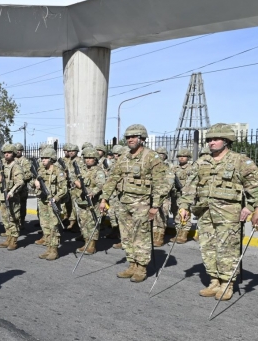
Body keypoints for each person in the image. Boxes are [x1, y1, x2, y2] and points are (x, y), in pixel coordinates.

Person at [179, 123, 258, 300]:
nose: (211, 143)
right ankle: (214, 280)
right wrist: (184, 206)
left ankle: (227, 284)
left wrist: (252, 208)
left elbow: (254, 188)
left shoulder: (240, 161)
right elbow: (190, 186)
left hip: (229, 213)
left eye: (215, 139)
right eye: (209, 140)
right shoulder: (202, 162)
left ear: (226, 141)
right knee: (208, 247)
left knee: (227, 249)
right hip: (205, 212)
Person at [99, 124, 170, 283]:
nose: (130, 140)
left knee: (141, 236)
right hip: (124, 202)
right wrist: (104, 199)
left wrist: (155, 206)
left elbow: (161, 183)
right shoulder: (123, 157)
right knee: (126, 235)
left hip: (143, 203)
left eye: (133, 137)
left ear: (142, 139)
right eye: (128, 137)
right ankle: (132, 263)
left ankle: (142, 267)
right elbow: (113, 179)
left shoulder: (152, 157)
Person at [33, 146, 67, 260]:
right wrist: (36, 183)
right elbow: (34, 183)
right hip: (43, 201)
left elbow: (64, 189)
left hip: (52, 202)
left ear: (52, 158)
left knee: (53, 226)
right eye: (42, 158)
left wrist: (56, 198)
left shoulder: (58, 171)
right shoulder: (40, 170)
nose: (43, 160)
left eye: (45, 158)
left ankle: (54, 250)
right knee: (45, 225)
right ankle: (48, 248)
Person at [72, 148, 106, 255]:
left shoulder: (98, 171)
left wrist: (93, 192)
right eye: (86, 158)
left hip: (93, 201)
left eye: (91, 158)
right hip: (82, 201)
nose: (88, 160)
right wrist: (75, 183)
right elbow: (74, 179)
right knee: (83, 223)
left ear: (95, 159)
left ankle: (92, 245)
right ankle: (86, 242)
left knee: (92, 223)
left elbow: (101, 184)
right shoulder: (81, 170)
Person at [0, 143, 24, 250]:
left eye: (9, 153)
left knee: (13, 219)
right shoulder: (3, 165)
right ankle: (8, 238)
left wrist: (12, 191)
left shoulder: (16, 166)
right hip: (3, 196)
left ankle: (14, 240)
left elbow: (20, 182)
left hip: (12, 197)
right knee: (5, 219)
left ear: (13, 154)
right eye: (5, 153)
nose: (6, 155)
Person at [170, 148, 194, 244]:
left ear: (188, 157)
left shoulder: (191, 169)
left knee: (185, 213)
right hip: (176, 194)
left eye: (184, 156)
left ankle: (184, 234)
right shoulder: (174, 168)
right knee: (176, 213)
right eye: (180, 156)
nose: (181, 158)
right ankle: (178, 233)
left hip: (186, 195)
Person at [13, 143, 33, 230]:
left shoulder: (25, 161)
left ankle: (21, 222)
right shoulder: (12, 160)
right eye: (16, 150)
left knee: (22, 205)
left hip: (22, 188)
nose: (18, 152)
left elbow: (29, 174)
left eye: (19, 150)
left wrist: (20, 178)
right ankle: (14, 224)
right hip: (13, 187)